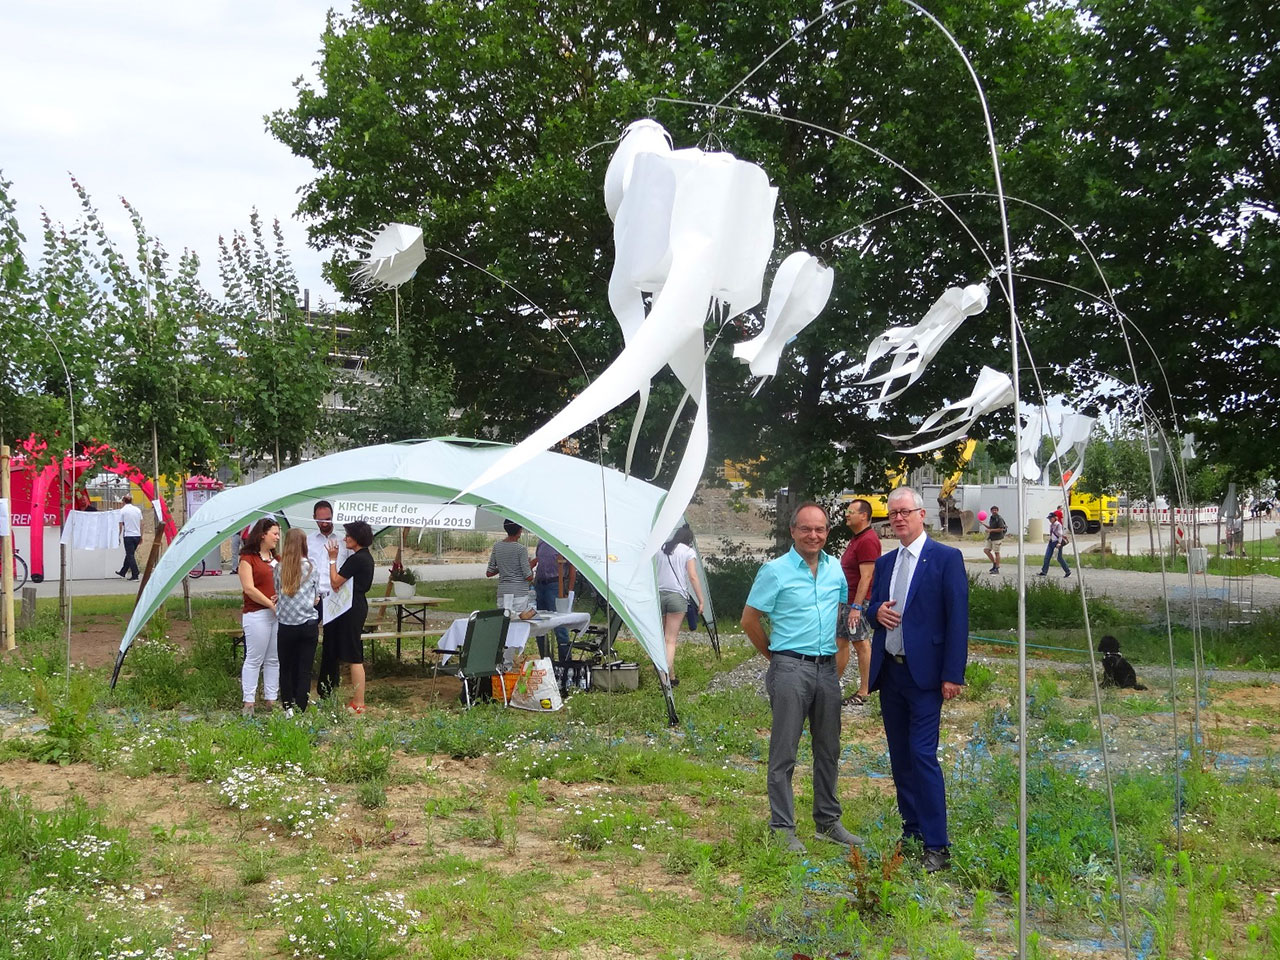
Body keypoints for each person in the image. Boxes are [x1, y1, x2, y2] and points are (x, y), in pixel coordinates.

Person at [741, 502, 861, 854]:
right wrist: (776, 657)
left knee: (829, 749)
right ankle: (782, 828)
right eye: (806, 529)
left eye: (820, 529)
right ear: (793, 531)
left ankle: (827, 821)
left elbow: (842, 618)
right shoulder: (775, 571)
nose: (814, 535)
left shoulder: (834, 569)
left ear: (827, 532)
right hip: (790, 668)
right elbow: (750, 620)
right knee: (784, 752)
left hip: (826, 670)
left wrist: (838, 663)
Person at [867, 487, 968, 873]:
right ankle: (911, 829)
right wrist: (878, 612)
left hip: (926, 676)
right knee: (900, 757)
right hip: (891, 672)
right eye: (892, 514)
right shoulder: (886, 562)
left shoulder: (945, 558)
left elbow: (957, 619)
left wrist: (952, 674)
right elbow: (872, 606)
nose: (898, 519)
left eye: (904, 512)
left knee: (923, 755)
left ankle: (937, 844)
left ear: (921, 514)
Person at [321, 520, 375, 713]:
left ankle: (359, 702)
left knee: (354, 654)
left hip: (352, 607)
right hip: (356, 604)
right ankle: (355, 699)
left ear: (357, 538)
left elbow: (335, 581)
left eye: (348, 536)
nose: (344, 539)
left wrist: (332, 559)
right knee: (352, 651)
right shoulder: (365, 557)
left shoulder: (357, 559)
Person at [839, 499, 881, 707]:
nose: (847, 514)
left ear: (863, 516)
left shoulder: (868, 540)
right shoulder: (856, 538)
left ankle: (865, 690)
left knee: (861, 643)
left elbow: (867, 577)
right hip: (846, 601)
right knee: (840, 641)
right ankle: (830, 685)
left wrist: (857, 607)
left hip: (857, 602)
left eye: (851, 512)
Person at [274, 528, 320, 715]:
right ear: (304, 544)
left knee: (286, 667)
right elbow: (316, 595)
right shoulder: (311, 567)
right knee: (304, 668)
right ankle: (301, 706)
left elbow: (278, 591)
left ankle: (287, 706)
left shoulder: (278, 568)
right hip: (308, 624)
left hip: (286, 625)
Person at [238, 517, 281, 716]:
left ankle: (271, 699)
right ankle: (249, 701)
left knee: (273, 658)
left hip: (276, 614)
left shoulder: (277, 559)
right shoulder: (248, 559)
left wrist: (280, 599)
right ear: (262, 535)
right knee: (254, 658)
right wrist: (269, 603)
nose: (277, 537)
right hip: (257, 613)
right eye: (275, 533)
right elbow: (249, 588)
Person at [657, 524, 706, 687]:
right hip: (677, 597)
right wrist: (701, 599)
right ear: (688, 540)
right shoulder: (687, 551)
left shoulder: (663, 548)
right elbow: (692, 576)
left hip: (660, 595)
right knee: (670, 640)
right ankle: (664, 678)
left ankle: (672, 676)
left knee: (664, 637)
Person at [532, 537, 575, 661]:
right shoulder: (542, 541)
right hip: (540, 585)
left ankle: (565, 662)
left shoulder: (562, 542)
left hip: (556, 585)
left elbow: (572, 567)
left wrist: (569, 590)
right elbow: (538, 560)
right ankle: (545, 659)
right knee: (540, 624)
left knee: (559, 624)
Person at [486, 519, 533, 607]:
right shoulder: (521, 549)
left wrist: (503, 566)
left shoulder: (497, 547)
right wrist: (530, 564)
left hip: (502, 593)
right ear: (520, 530)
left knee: (504, 620)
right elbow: (528, 576)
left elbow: (489, 573)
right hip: (519, 594)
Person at [116, 494, 143, 580]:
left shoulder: (122, 511)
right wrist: (141, 535)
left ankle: (135, 573)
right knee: (130, 554)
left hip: (128, 535)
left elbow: (120, 524)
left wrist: (118, 535)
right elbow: (142, 523)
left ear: (123, 501)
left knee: (130, 555)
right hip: (137, 535)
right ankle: (123, 571)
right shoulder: (137, 510)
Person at [1038, 509, 1071, 577]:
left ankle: (1067, 571)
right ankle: (1044, 571)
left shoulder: (1058, 525)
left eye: (1051, 518)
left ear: (1054, 518)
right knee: (1047, 557)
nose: (1050, 520)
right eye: (1049, 518)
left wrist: (1059, 543)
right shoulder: (1052, 525)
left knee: (1059, 558)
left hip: (1057, 543)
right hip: (1051, 542)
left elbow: (1060, 535)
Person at [980, 505, 1008, 574]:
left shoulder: (999, 518)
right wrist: (984, 524)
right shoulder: (992, 518)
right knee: (986, 550)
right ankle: (994, 564)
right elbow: (991, 527)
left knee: (996, 552)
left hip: (997, 538)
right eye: (993, 510)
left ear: (997, 511)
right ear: (991, 511)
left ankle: (997, 568)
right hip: (991, 537)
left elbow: (1001, 529)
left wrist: (991, 530)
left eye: (996, 510)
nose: (994, 511)